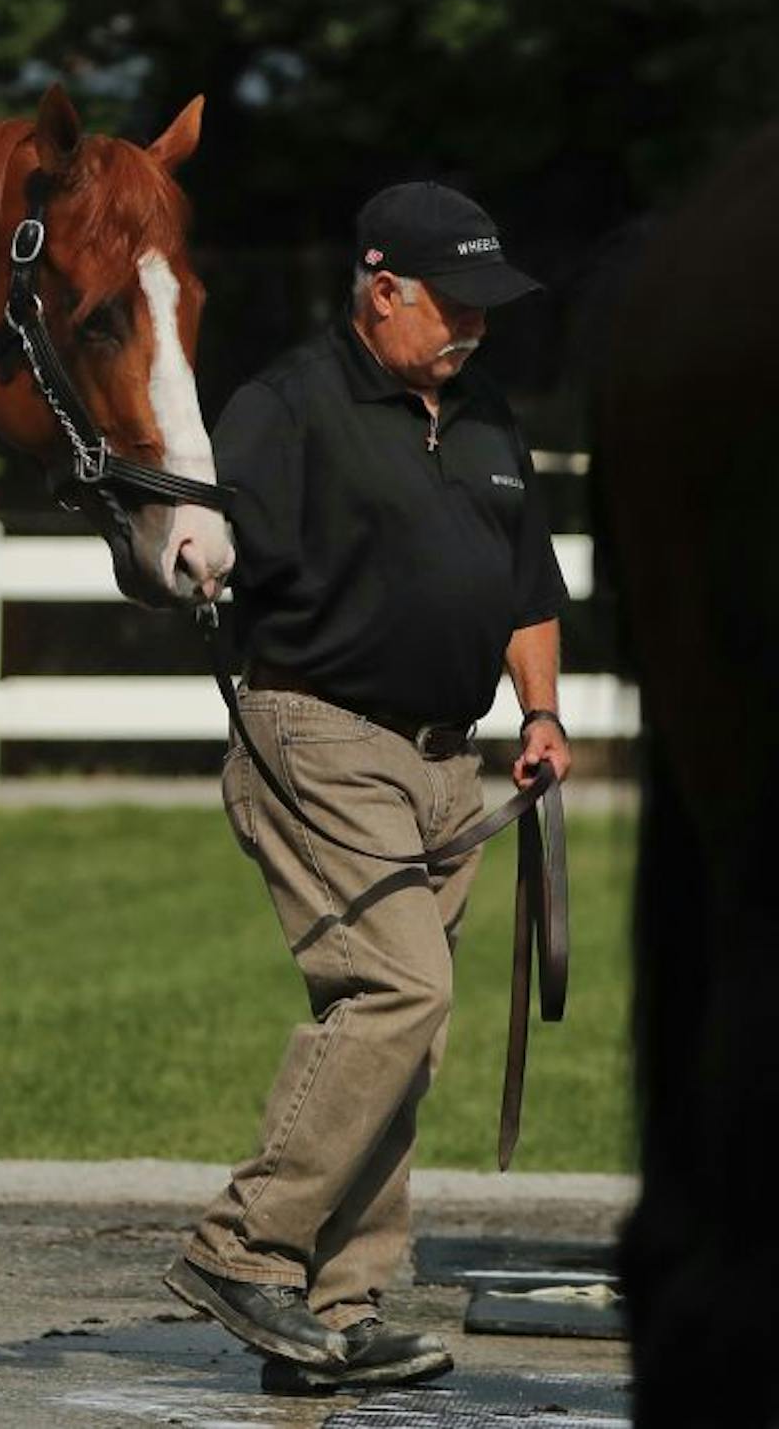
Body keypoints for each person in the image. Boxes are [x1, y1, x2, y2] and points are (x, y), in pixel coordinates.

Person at [161, 182, 575, 1393]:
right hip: (318, 729)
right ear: (380, 288)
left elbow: (527, 584)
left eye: (489, 310)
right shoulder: (284, 407)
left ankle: (337, 1309)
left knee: (405, 1032)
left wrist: (541, 710)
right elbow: (198, 538)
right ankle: (242, 1248)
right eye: (455, 306)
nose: (475, 330)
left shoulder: (488, 414)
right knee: (400, 988)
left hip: (452, 760)